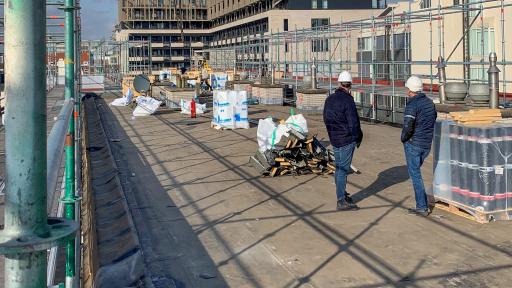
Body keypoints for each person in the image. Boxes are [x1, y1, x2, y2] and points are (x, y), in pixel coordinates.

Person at [323, 71, 363, 211]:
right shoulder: (348, 100)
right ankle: (341, 200)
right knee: (342, 170)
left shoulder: (330, 99)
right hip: (346, 140)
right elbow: (354, 123)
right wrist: (357, 137)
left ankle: (342, 193)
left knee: (339, 168)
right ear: (350, 85)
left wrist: (332, 134)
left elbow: (326, 118)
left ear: (339, 83)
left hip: (335, 139)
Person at [401, 76, 437, 216]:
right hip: (426, 145)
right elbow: (433, 118)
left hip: (414, 144)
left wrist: (403, 139)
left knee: (415, 175)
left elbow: (408, 126)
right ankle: (422, 203)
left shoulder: (412, 105)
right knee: (416, 172)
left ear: (410, 90)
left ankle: (422, 206)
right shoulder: (429, 103)